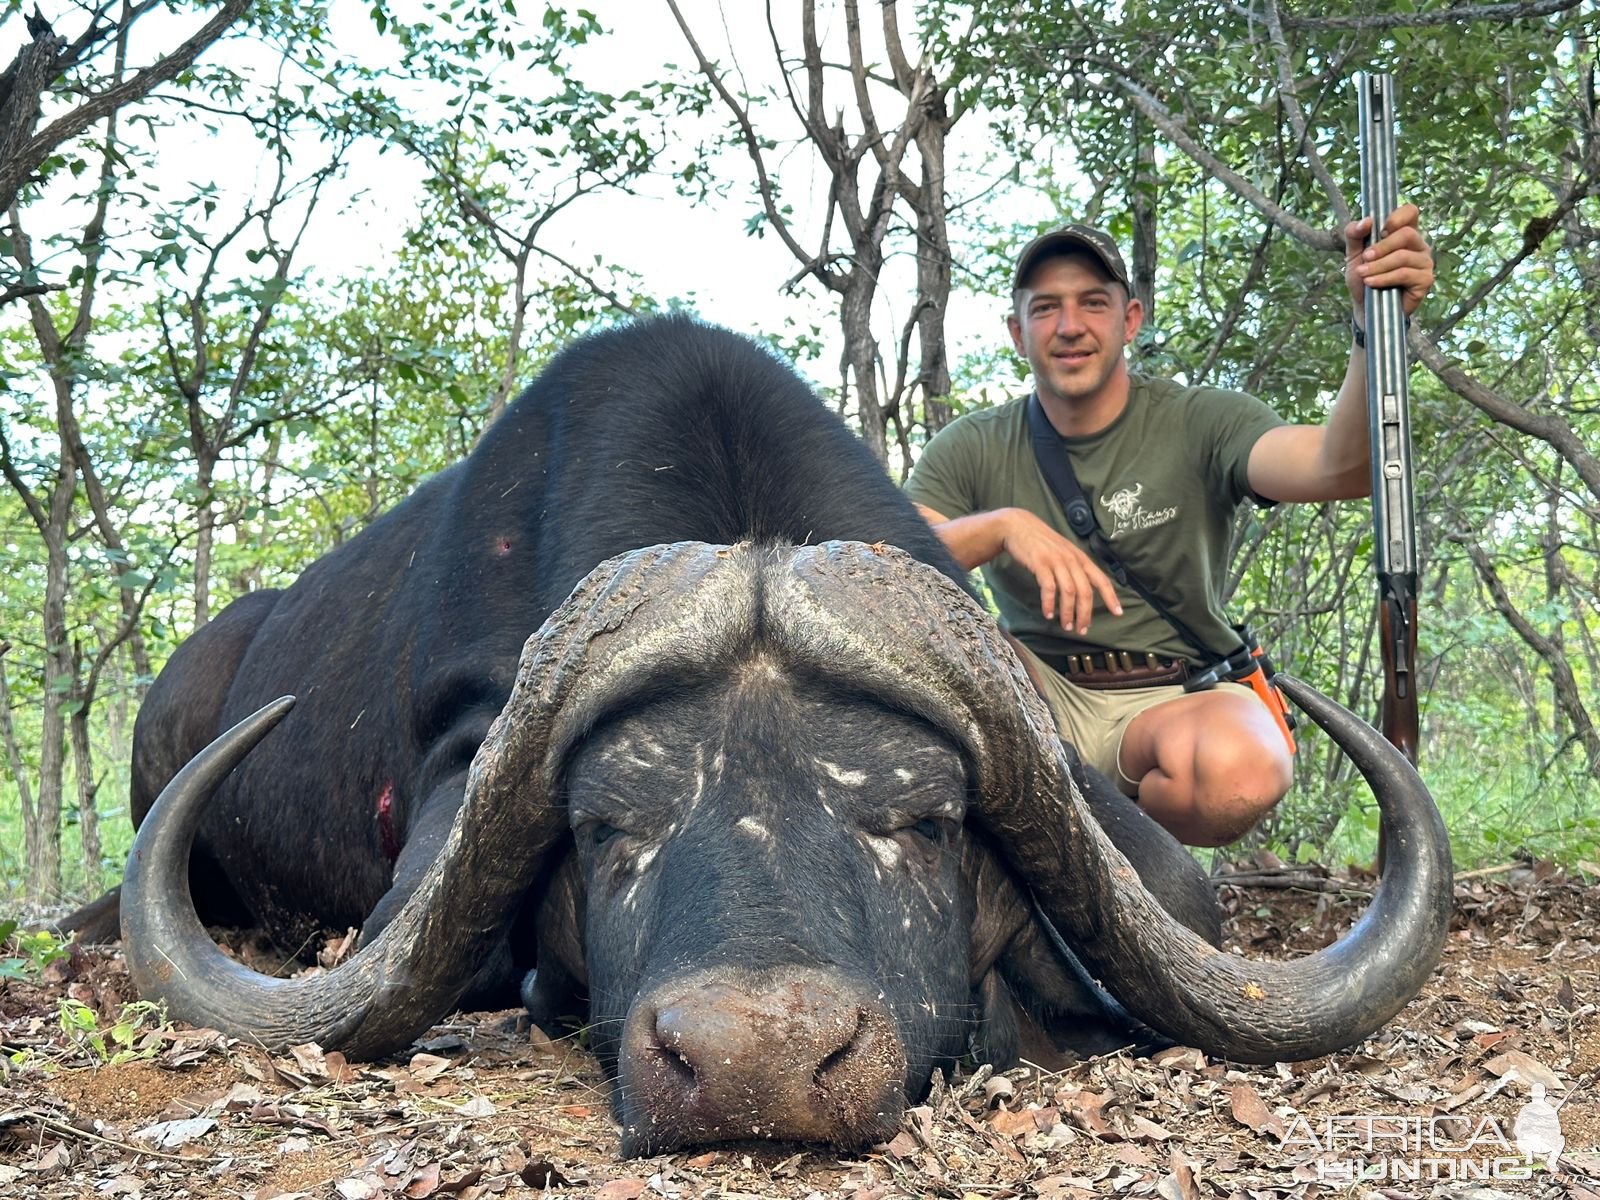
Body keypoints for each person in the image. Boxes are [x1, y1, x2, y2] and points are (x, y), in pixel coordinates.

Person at [903, 208, 1435, 846]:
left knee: (1241, 769)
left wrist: (1373, 327)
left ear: (1130, 320)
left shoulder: (1201, 421)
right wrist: (1002, 528)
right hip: (1029, 698)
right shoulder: (970, 447)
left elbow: (1339, 467)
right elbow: (886, 567)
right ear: (1018, 333)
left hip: (1174, 697)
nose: (1070, 327)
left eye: (1092, 303)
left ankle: (1133, 880)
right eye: (1046, 309)